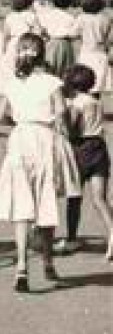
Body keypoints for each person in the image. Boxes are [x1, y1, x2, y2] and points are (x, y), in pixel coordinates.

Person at [0, 33, 80, 293]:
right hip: (45, 139)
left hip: (20, 139)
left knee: (22, 204)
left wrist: (20, 124)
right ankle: (47, 261)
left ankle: (22, 266)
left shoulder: (13, 83)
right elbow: (61, 113)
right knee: (46, 202)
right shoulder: (51, 82)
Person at [61, 64, 113, 258]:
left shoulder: (77, 104)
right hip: (99, 147)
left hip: (81, 148)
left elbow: (72, 128)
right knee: (100, 198)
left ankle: (72, 238)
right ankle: (112, 230)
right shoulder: (96, 101)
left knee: (74, 197)